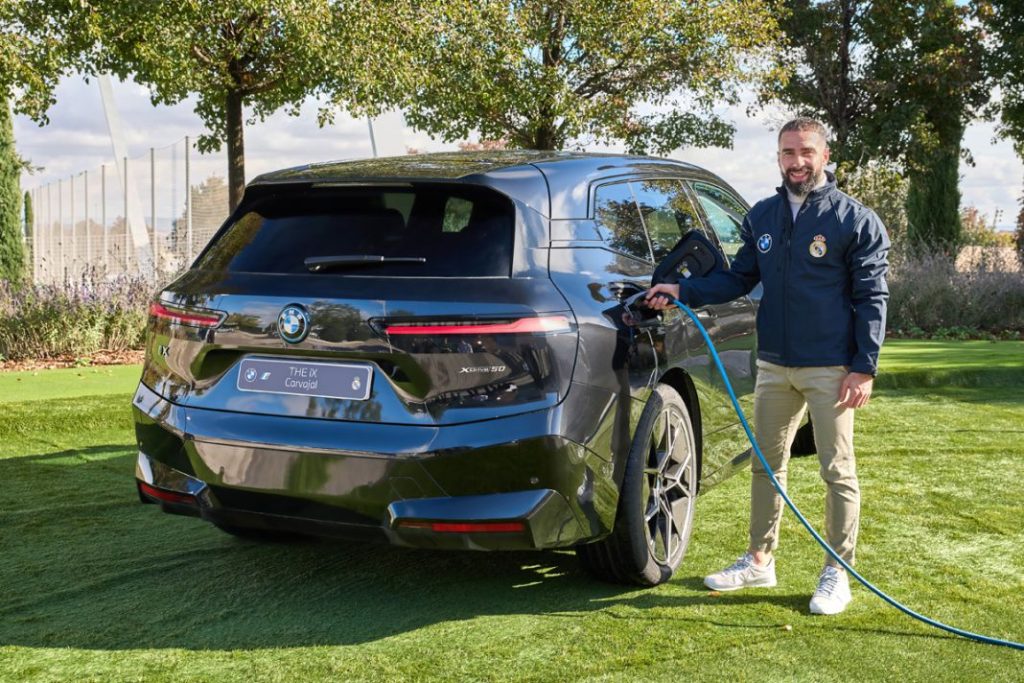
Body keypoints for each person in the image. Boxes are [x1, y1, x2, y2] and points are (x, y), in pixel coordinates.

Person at [645, 117, 889, 615]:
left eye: (805, 152)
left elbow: (872, 296)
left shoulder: (855, 221)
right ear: (778, 158)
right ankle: (760, 560)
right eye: (787, 153)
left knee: (836, 470)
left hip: (831, 369)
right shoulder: (762, 217)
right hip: (774, 366)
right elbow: (738, 279)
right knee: (765, 466)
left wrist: (863, 367)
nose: (796, 162)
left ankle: (836, 573)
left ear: (824, 155)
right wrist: (682, 291)